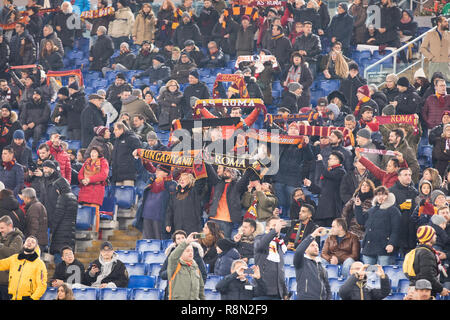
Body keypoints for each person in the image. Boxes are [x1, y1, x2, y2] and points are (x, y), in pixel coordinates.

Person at [355, 186, 401, 266]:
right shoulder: (372, 210)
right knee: (370, 274)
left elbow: (396, 230)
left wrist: (391, 243)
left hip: (384, 249)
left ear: (388, 196)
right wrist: (358, 206)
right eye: (378, 195)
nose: (381, 197)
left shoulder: (394, 210)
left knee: (383, 273)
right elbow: (361, 221)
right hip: (369, 249)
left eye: (383, 195)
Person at [205, 164, 252, 238]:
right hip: (213, 219)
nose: (225, 172)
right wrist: (205, 159)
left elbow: (246, 177)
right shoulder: (218, 183)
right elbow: (209, 170)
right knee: (208, 241)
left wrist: (250, 165)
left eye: (228, 171)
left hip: (227, 222)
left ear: (233, 174)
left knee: (224, 245)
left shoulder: (237, 186)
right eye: (225, 170)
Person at [159, 230, 207, 299]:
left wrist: (195, 288)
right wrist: (173, 271)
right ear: (175, 242)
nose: (181, 240)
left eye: (183, 237)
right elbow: (162, 274)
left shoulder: (195, 254)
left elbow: (203, 274)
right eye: (178, 238)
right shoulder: (172, 256)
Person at [407, 225, 449, 298]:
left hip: (418, 290)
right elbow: (428, 276)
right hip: (424, 292)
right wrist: (441, 289)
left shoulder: (418, 250)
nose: (436, 236)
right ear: (428, 237)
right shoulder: (426, 253)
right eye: (434, 234)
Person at [0, 235, 47, 300]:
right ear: (24, 243)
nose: (29, 243)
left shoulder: (39, 264)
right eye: (28, 241)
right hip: (12, 297)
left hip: (28, 298)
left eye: (33, 242)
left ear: (36, 247)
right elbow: (1, 264)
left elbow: (42, 286)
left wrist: (33, 298)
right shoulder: (15, 258)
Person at [307, 151, 346, 227]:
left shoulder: (340, 171)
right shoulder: (330, 171)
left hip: (332, 209)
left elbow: (326, 174)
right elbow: (322, 190)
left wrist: (320, 162)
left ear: (337, 160)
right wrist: (310, 185)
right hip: (323, 209)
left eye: (330, 159)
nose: (328, 160)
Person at [254, 216, 289, 300]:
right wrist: (275, 230)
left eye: (278, 226)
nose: (277, 228)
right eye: (274, 225)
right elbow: (261, 245)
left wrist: (284, 292)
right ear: (267, 227)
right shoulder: (259, 238)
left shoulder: (279, 244)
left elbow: (280, 270)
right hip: (262, 292)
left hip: (277, 293)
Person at [293, 226, 331, 300]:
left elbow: (327, 288)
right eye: (312, 245)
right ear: (305, 249)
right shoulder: (301, 262)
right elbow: (298, 251)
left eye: (317, 245)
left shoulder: (322, 267)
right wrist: (313, 235)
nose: (316, 247)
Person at [78, 147, 109, 233]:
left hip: (96, 190)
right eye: (91, 152)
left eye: (94, 152)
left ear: (99, 153)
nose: (92, 154)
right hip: (85, 190)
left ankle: (94, 232)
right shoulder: (87, 162)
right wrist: (82, 180)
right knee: (85, 211)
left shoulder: (103, 162)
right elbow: (80, 174)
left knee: (95, 212)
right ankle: (85, 230)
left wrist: (89, 179)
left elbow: (103, 175)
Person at [389, 167, 419, 255]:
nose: (408, 177)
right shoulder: (391, 191)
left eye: (409, 175)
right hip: (398, 233)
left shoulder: (414, 191)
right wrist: (400, 207)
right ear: (399, 177)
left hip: (411, 233)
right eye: (405, 175)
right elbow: (388, 211)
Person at [49, 178, 77, 264]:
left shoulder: (63, 197)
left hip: (60, 234)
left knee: (59, 256)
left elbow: (58, 216)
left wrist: (52, 230)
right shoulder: (73, 197)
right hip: (70, 232)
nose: (56, 191)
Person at [0, 215, 23, 300]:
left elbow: (14, 253)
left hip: (7, 281)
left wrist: (1, 246)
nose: (0, 230)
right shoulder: (1, 236)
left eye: (2, 228)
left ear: (10, 226)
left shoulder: (17, 238)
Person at [420, 16, 450, 81]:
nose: (447, 23)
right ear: (439, 23)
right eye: (445, 21)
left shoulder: (449, 34)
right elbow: (422, 48)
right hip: (434, 65)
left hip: (446, 66)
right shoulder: (430, 34)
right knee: (433, 84)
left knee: (447, 85)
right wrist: (431, 57)